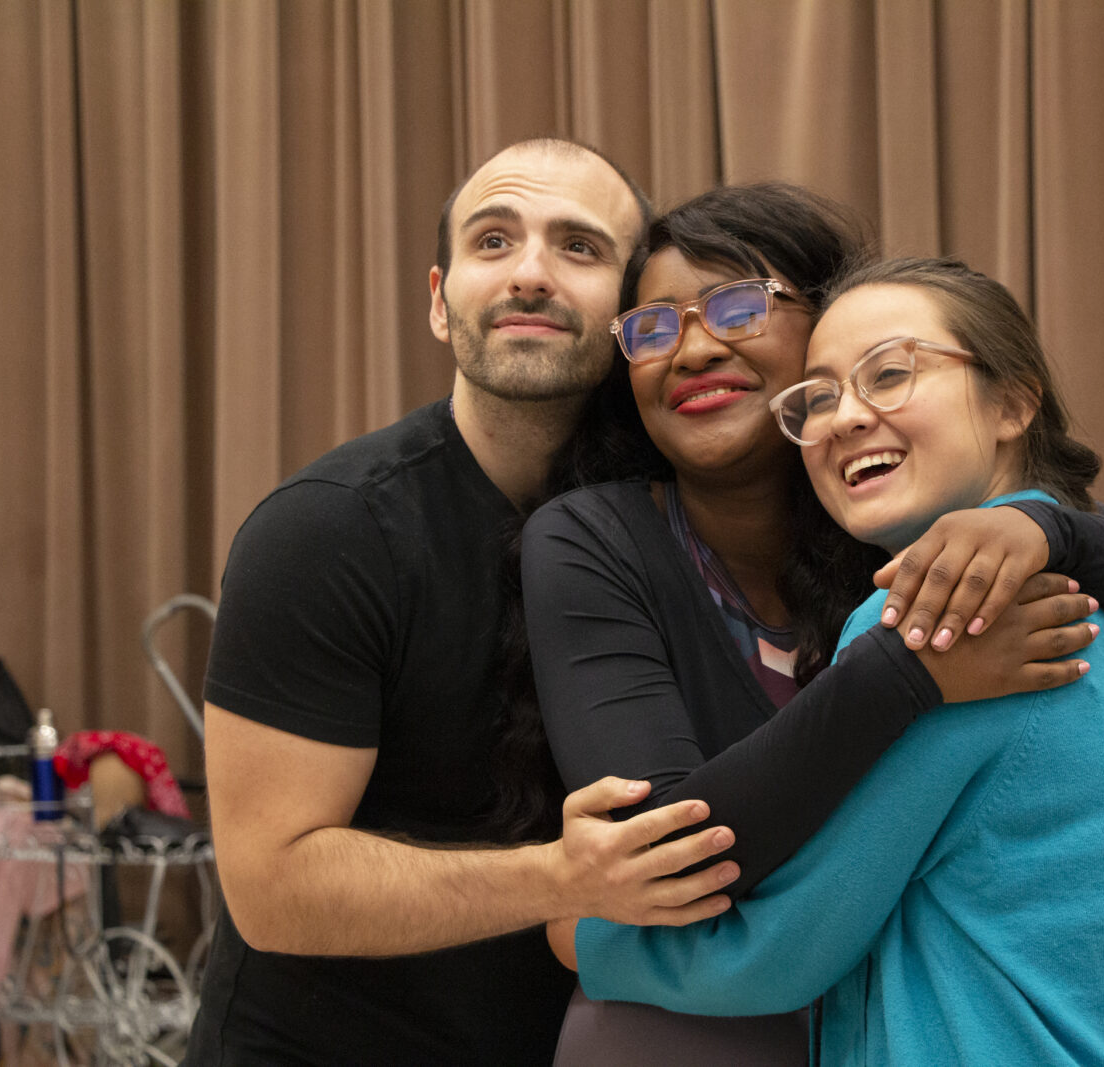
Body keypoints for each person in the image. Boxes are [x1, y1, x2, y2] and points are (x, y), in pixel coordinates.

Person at [562, 255, 1104, 1064]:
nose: (847, 417)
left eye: (889, 373)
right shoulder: (1103, 594)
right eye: (819, 397)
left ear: (1014, 400)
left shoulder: (940, 611)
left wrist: (581, 934)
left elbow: (779, 950)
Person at [185, 139, 750, 1066]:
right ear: (441, 304)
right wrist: (564, 877)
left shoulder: (672, 508)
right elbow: (271, 883)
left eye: (579, 247)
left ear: (634, 314)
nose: (530, 272)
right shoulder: (328, 531)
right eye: (494, 241)